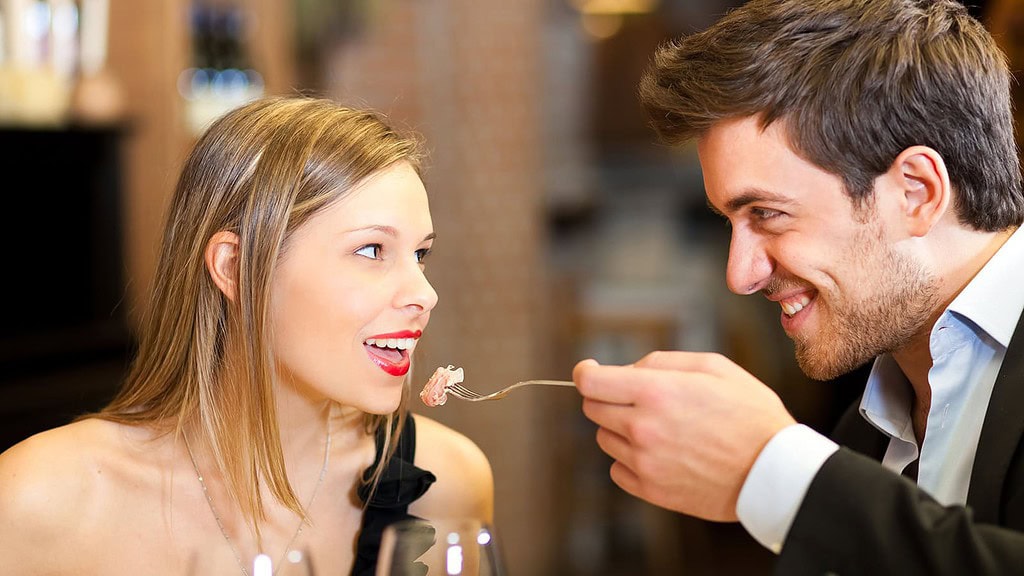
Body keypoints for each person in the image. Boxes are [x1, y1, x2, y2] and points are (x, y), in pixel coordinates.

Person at [573, 0, 1024, 573]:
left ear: (916, 192)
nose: (740, 275)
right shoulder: (867, 425)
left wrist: (778, 473)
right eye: (730, 222)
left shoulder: (831, 460)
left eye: (767, 214)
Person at [0, 96, 493, 575]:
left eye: (420, 255)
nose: (425, 294)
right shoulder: (36, 500)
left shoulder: (448, 483)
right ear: (234, 267)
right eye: (371, 250)